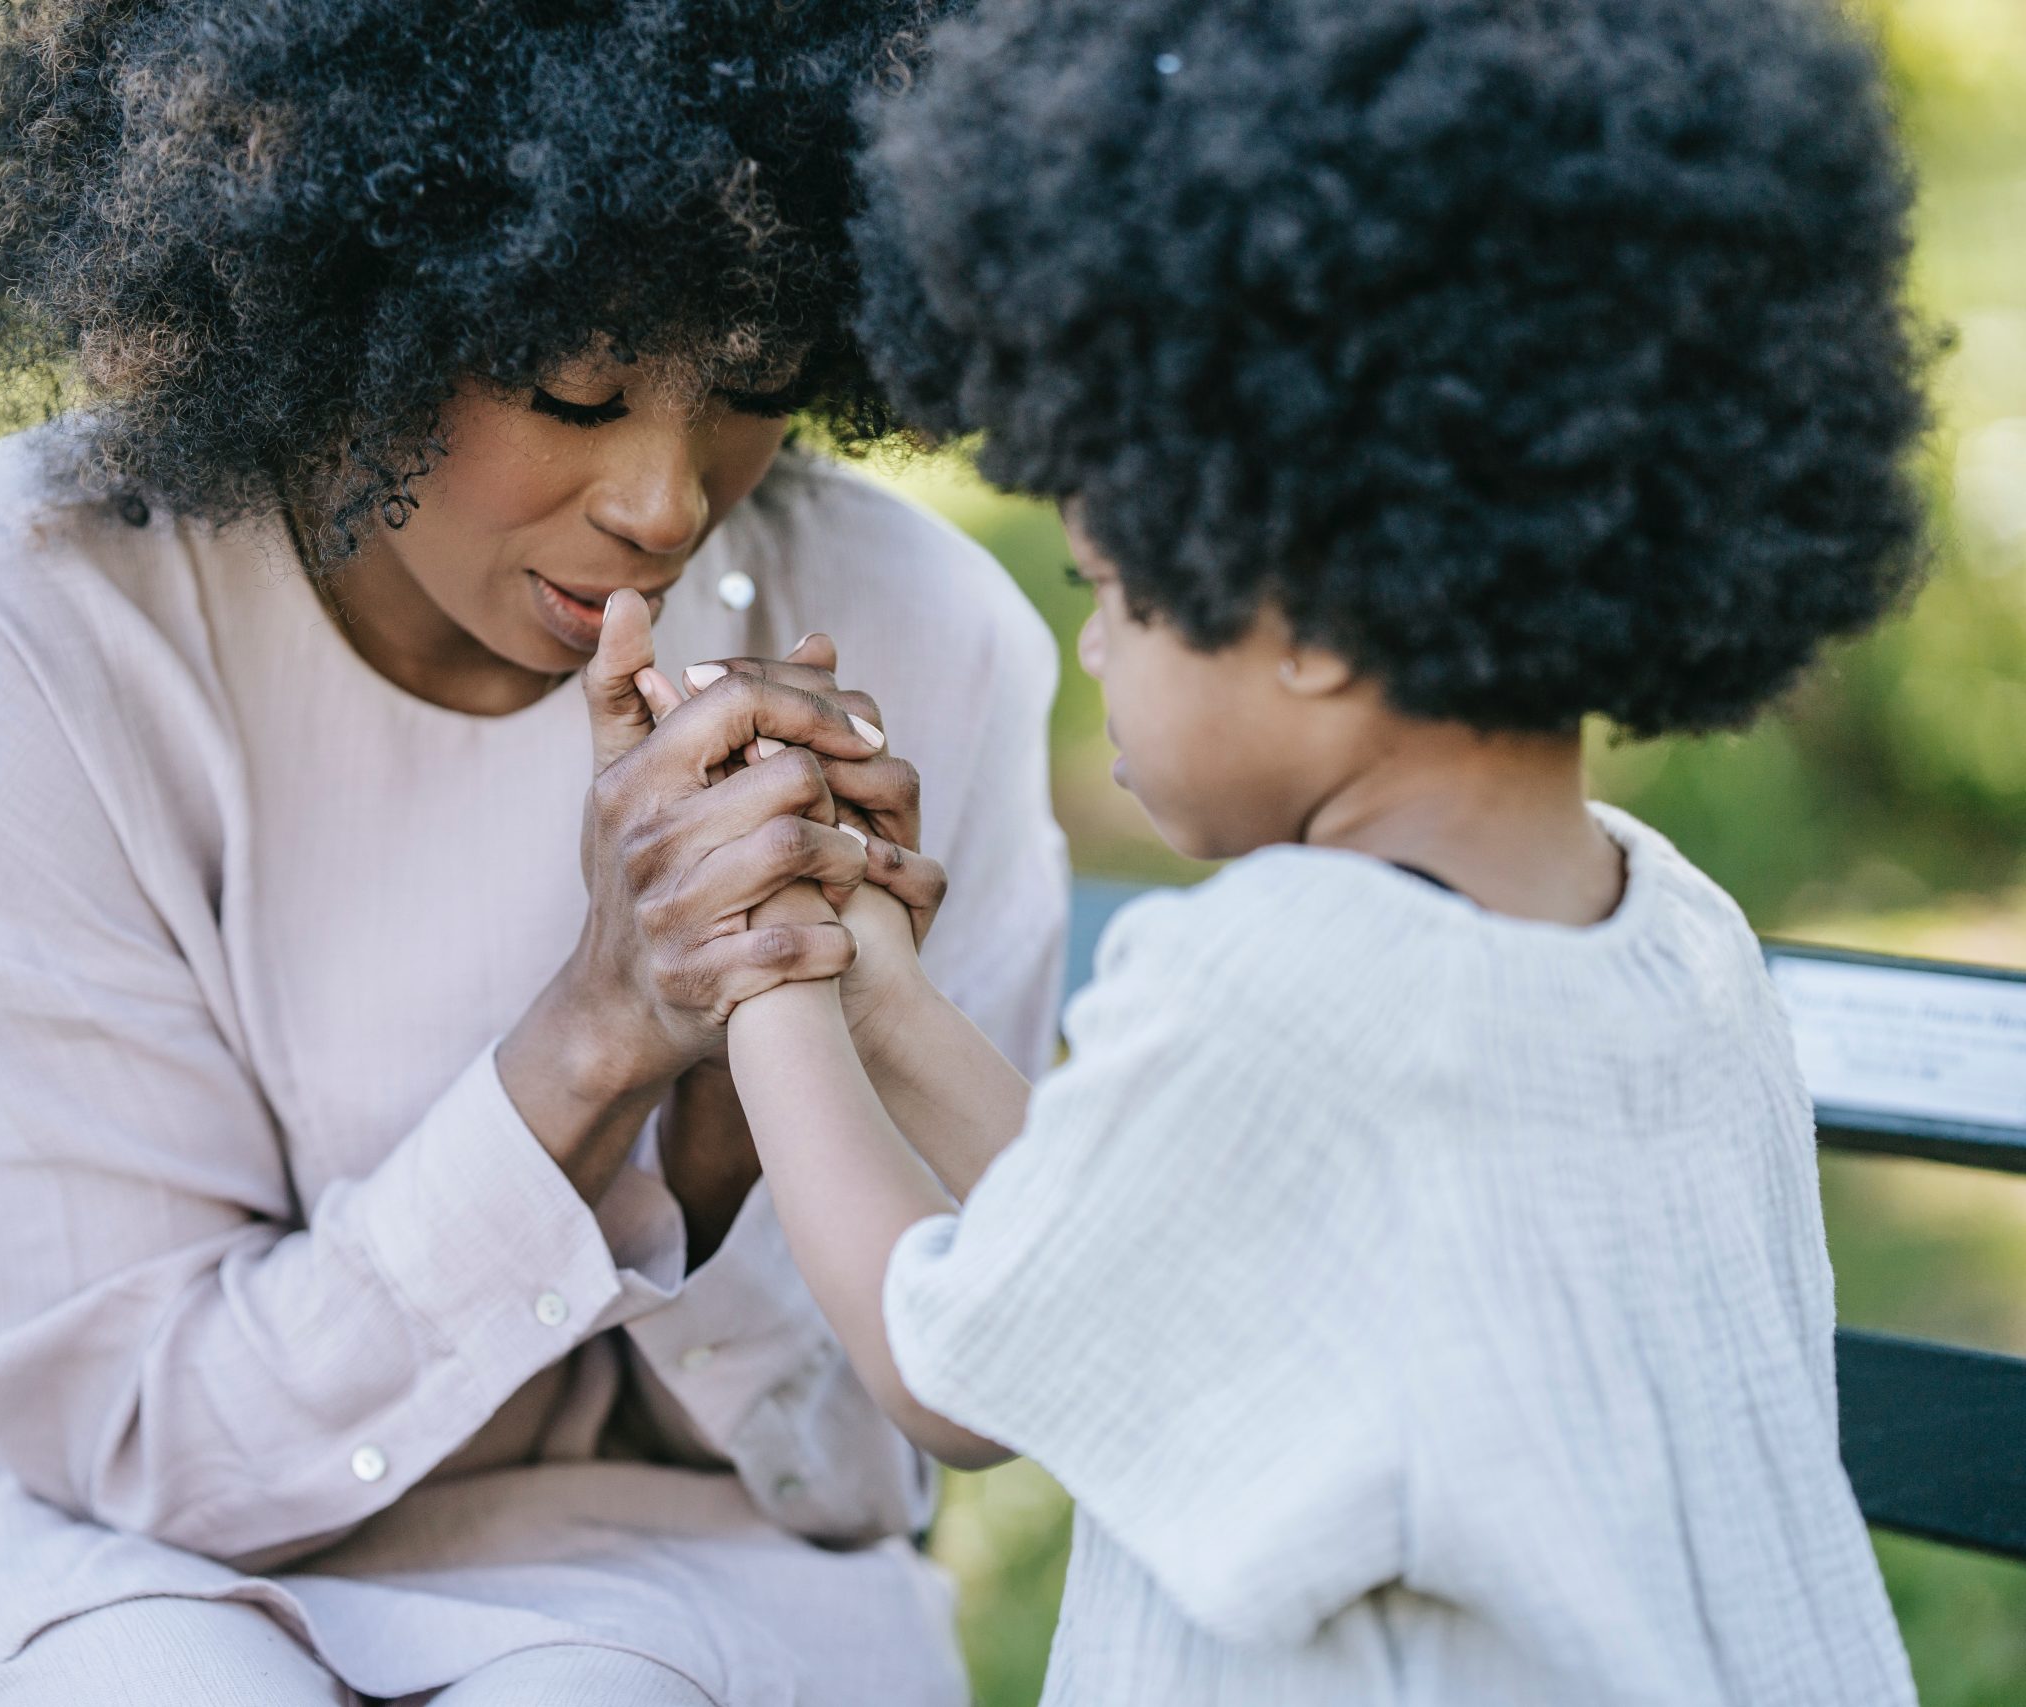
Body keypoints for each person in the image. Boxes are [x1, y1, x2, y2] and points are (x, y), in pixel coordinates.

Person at [0, 5, 1067, 1705]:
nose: (667, 501)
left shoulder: (920, 641)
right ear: (353, 293)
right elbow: (137, 1430)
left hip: (658, 1555)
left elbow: (876, 1445)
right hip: (41, 1540)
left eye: (752, 380)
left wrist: (732, 1111)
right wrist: (599, 1034)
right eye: (574, 385)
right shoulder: (19, 632)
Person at [717, 0, 1933, 1700]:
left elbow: (959, 1365)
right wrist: (891, 1001)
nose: (1094, 655)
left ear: (1311, 627)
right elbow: (1141, 1268)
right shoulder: (1677, 936)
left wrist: (756, 971)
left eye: (1114, 593)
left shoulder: (1282, 976)